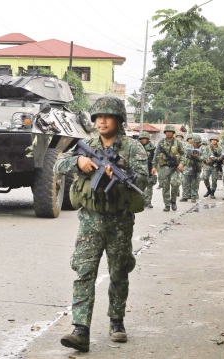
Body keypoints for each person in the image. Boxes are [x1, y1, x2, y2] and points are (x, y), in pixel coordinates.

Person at [55, 96, 148, 352]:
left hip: (120, 221)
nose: (102, 121)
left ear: (119, 120)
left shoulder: (133, 148)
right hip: (90, 220)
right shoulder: (87, 145)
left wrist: (119, 172)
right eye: (98, 117)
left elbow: (142, 179)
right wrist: (78, 161)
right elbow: (59, 164)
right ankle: (80, 329)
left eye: (108, 116)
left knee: (119, 272)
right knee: (84, 272)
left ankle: (116, 322)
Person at [152, 125, 185, 212]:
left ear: (173, 133)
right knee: (165, 187)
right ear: (165, 133)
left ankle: (173, 201)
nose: (169, 133)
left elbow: (183, 154)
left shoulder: (178, 143)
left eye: (170, 131)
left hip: (175, 167)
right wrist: (154, 166)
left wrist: (182, 163)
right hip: (164, 167)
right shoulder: (161, 143)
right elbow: (156, 155)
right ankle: (167, 204)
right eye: (167, 131)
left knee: (175, 184)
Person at [179, 135, 203, 202]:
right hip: (188, 166)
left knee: (195, 183)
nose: (196, 144)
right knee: (185, 182)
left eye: (198, 143)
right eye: (195, 142)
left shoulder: (203, 148)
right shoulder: (188, 147)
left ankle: (193, 197)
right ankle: (185, 196)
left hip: (196, 167)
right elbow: (183, 154)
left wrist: (197, 157)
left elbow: (205, 157)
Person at [201, 134, 223, 199]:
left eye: (215, 140)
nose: (213, 141)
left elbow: (222, 156)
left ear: (217, 141)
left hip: (215, 166)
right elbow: (204, 155)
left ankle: (212, 193)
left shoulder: (220, 148)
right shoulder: (207, 148)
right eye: (212, 140)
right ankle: (208, 190)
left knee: (214, 180)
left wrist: (218, 159)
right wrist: (205, 160)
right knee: (205, 178)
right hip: (208, 165)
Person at [138, 131, 156, 208]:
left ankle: (148, 201)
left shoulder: (152, 148)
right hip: (139, 168)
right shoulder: (136, 146)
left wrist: (154, 167)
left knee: (149, 185)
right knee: (139, 185)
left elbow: (155, 158)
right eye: (142, 138)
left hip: (149, 167)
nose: (144, 140)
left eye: (145, 139)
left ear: (148, 139)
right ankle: (141, 201)